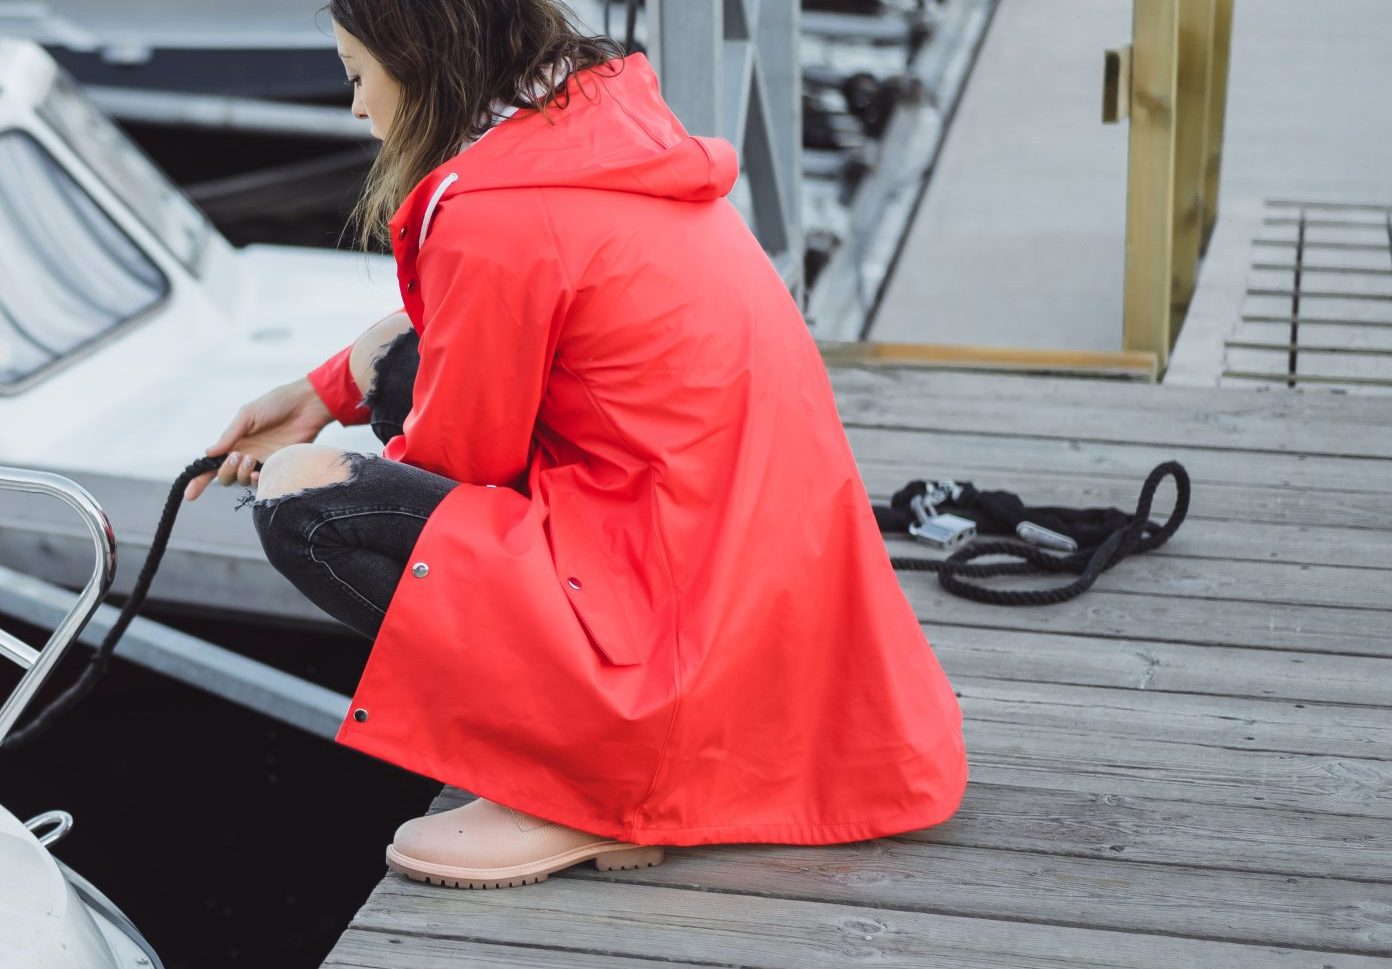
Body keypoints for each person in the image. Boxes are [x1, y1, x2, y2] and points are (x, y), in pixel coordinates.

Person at [190, 0, 966, 889]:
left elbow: (457, 466)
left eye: (358, 76)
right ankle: (588, 741)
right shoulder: (586, 129)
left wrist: (354, 458)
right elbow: (455, 335)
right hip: (739, 576)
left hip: (670, 628)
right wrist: (322, 392)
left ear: (421, 59)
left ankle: (577, 788)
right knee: (396, 366)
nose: (357, 110)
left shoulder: (491, 217)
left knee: (307, 507)